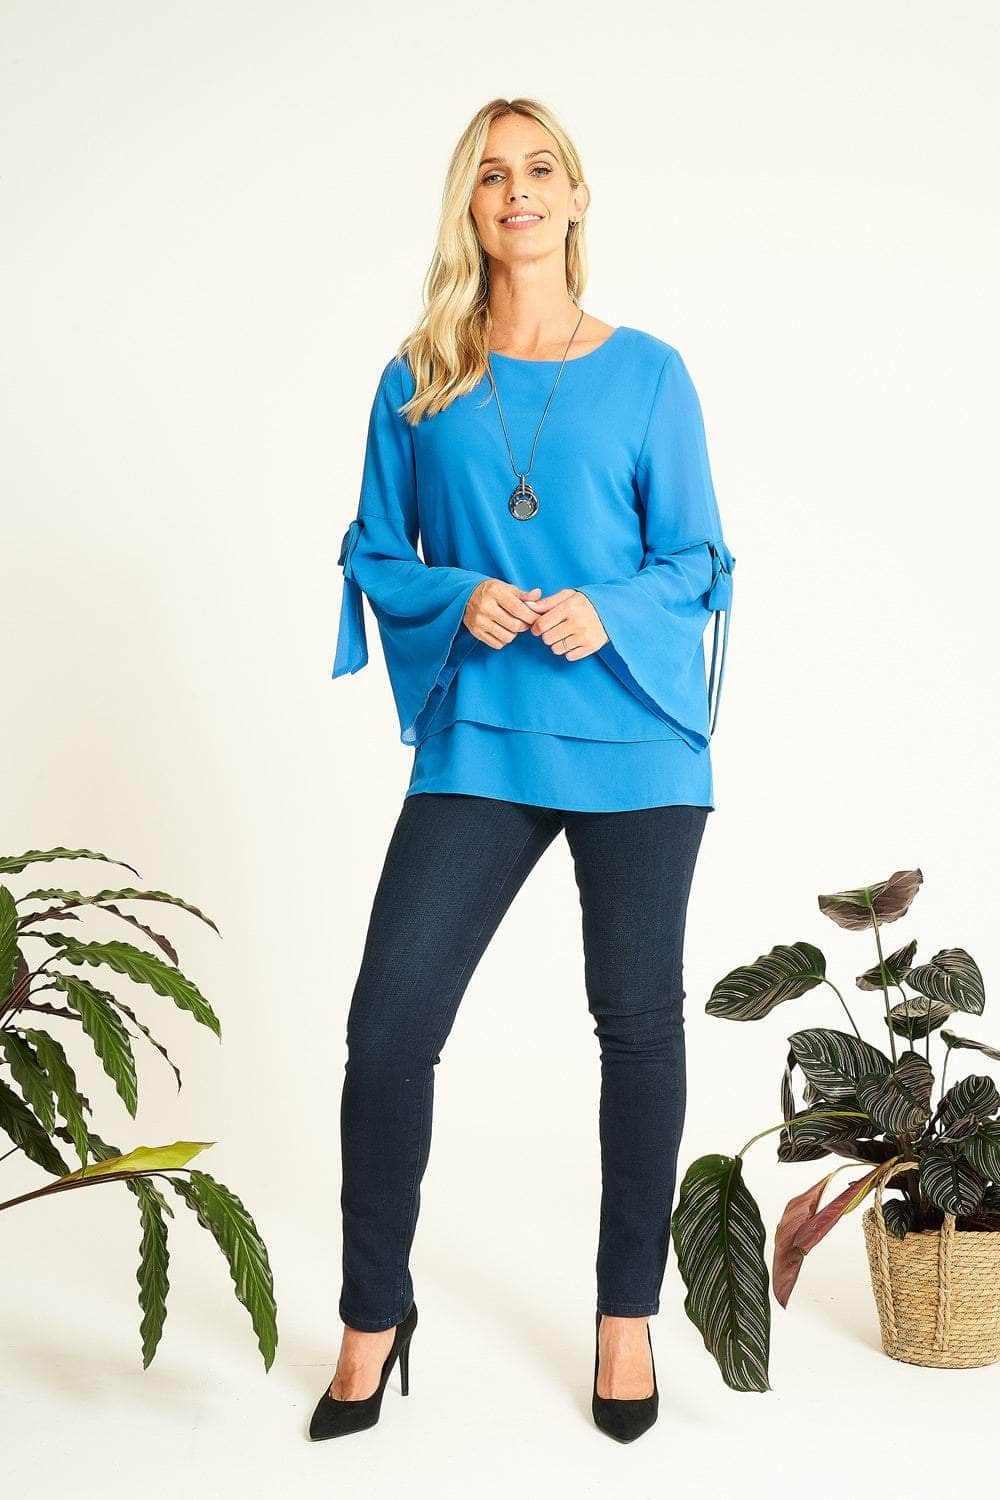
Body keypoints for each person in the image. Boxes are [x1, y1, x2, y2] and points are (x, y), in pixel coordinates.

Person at [310, 95, 736, 1445]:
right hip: (485, 732)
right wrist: (460, 596)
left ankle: (626, 1318)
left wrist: (609, 609)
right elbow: (376, 553)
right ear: (470, 206)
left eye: (541, 168)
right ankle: (373, 1316)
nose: (520, 191)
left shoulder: (652, 373)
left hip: (636, 735)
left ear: (577, 195)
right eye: (493, 174)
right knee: (390, 1029)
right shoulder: (417, 379)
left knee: (637, 1021)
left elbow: (698, 559)